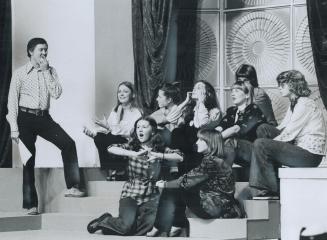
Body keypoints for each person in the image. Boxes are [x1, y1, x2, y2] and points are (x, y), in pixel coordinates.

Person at [6, 38, 85, 215]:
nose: (44, 53)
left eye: (46, 50)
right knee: (28, 161)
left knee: (68, 143)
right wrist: (14, 127)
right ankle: (30, 205)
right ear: (30, 52)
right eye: (41, 50)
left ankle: (73, 186)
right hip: (24, 119)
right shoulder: (19, 74)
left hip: (44, 118)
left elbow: (56, 94)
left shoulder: (51, 71)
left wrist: (47, 71)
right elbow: (11, 102)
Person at [87, 116, 183, 236]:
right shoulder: (132, 146)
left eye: (144, 127)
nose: (140, 130)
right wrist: (134, 154)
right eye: (138, 127)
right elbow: (111, 148)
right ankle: (105, 220)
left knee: (143, 229)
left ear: (152, 131)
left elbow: (180, 156)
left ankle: (115, 227)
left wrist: (159, 155)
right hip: (131, 193)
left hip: (151, 197)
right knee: (125, 226)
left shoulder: (160, 148)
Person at [148, 129, 244, 237]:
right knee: (177, 186)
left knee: (176, 187)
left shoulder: (211, 162)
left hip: (215, 208)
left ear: (210, 143)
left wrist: (164, 184)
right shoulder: (215, 159)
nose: (196, 142)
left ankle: (169, 226)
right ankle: (175, 226)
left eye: (200, 140)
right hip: (223, 205)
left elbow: (186, 181)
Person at [249, 70, 326, 199]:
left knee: (261, 144)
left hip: (309, 156)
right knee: (263, 128)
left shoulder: (304, 104)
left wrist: (262, 146)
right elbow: (282, 127)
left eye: (282, 85)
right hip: (300, 149)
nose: (279, 88)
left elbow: (289, 133)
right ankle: (272, 178)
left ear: (292, 85)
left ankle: (267, 189)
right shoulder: (294, 103)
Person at [83, 82, 142, 180]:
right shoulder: (114, 110)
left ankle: (119, 170)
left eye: (125, 91)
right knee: (99, 137)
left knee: (111, 136)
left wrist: (109, 127)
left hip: (128, 142)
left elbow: (130, 133)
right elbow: (108, 129)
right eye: (119, 91)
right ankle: (113, 169)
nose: (121, 94)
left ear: (133, 95)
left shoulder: (137, 112)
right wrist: (92, 133)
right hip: (114, 139)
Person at [215, 80, 266, 167]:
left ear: (246, 95)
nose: (232, 94)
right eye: (232, 91)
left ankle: (222, 176)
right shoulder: (232, 111)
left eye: (237, 91)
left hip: (254, 151)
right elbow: (221, 127)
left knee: (228, 141)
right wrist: (207, 137)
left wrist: (213, 139)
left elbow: (236, 129)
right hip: (235, 149)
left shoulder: (254, 109)